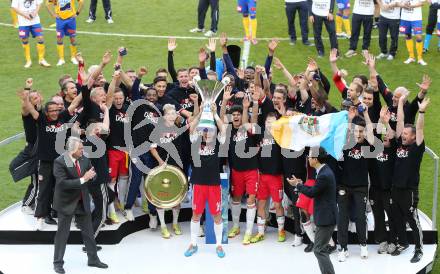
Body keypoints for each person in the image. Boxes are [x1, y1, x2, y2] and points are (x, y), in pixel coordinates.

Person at [23, 86, 82, 231]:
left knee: (67, 189)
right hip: (46, 162)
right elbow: (29, 108)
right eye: (52, 111)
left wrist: (85, 89)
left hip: (62, 162)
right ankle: (40, 218)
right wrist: (27, 92)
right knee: (44, 191)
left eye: (57, 110)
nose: (55, 113)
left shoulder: (62, 117)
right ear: (47, 112)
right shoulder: (41, 119)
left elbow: (75, 103)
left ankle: (71, 216)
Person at [52, 137, 108, 274]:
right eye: (80, 149)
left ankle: (93, 259)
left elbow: (91, 173)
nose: (83, 150)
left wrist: (92, 176)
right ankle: (58, 263)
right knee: (62, 235)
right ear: (72, 150)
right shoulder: (61, 161)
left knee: (89, 233)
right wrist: (84, 178)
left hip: (82, 201)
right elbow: (62, 183)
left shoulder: (84, 159)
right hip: (66, 203)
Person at [184, 101, 226, 258]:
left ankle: (219, 246)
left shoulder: (218, 144)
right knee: (196, 214)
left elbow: (223, 129)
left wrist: (215, 114)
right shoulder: (196, 142)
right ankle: (193, 244)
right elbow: (192, 128)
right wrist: (201, 113)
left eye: (210, 130)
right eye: (205, 130)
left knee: (217, 215)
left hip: (214, 184)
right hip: (198, 184)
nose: (207, 133)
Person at [390, 94, 429, 263]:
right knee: (397, 217)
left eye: (406, 134)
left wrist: (421, 112)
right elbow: (399, 122)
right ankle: (403, 243)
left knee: (413, 220)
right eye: (403, 133)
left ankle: (419, 249)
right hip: (396, 189)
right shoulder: (400, 145)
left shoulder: (417, 148)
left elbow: (419, 129)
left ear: (413, 137)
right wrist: (399, 103)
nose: (403, 135)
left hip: (409, 191)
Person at [287, 147, 337, 274]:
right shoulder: (322, 171)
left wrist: (297, 185)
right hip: (325, 217)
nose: (308, 159)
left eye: (309, 157)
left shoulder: (324, 175)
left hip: (327, 218)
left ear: (315, 159)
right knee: (320, 249)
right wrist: (300, 183)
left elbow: (312, 192)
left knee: (319, 250)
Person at [220, 90, 259, 245]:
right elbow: (222, 117)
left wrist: (250, 105)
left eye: (239, 114)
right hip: (236, 171)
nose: (236, 116)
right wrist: (224, 101)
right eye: (234, 114)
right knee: (235, 199)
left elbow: (253, 118)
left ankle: (248, 232)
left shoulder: (248, 129)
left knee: (250, 199)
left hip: (251, 171)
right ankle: (236, 227)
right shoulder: (228, 130)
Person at [11, 0, 51, 68]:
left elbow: (39, 3)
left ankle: (41, 59)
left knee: (40, 38)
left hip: (35, 22)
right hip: (23, 23)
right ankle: (28, 61)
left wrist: (35, 13)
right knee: (24, 39)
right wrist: (25, 15)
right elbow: (14, 7)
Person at [45, 0, 83, 66]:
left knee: (72, 38)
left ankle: (73, 57)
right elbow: (47, 4)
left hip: (71, 20)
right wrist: (53, 14)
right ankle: (61, 59)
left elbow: (81, 2)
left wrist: (77, 13)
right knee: (59, 38)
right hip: (60, 21)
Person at [398, 0, 427, 65]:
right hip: (405, 18)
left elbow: (422, 3)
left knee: (418, 37)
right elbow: (398, 3)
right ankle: (411, 57)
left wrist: (411, 6)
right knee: (407, 36)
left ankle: (420, 58)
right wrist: (403, 4)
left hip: (416, 18)